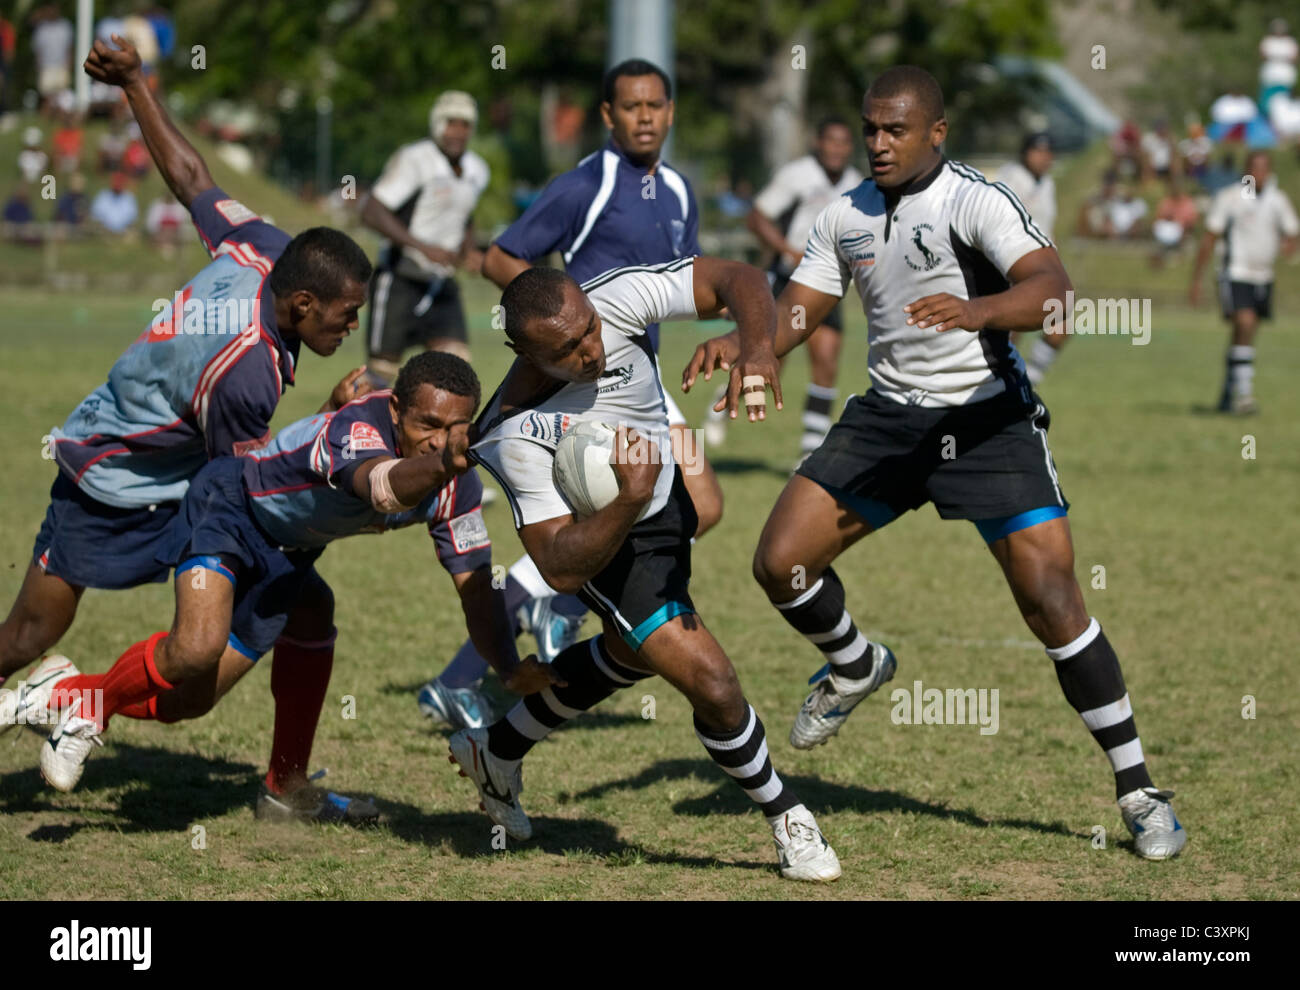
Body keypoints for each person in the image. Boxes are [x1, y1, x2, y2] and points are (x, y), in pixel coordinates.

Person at [684, 66, 1187, 862]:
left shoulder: (975, 199)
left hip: (987, 421)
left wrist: (978, 310)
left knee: (1052, 599)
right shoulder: (843, 215)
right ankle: (855, 666)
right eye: (871, 128)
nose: (878, 144)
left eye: (895, 131)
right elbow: (799, 309)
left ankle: (1139, 792)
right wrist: (748, 346)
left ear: (936, 133)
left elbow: (1053, 291)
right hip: (889, 419)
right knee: (780, 563)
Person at [0, 36, 375, 820]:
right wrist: (335, 424)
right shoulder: (246, 373)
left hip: (175, 472)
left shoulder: (264, 248)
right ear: (303, 306)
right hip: (112, 482)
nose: (350, 329)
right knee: (30, 633)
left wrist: (136, 83)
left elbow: (193, 178)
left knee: (306, 607)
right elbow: (246, 487)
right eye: (345, 318)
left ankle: (284, 783)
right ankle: (68, 697)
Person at [18, 354, 560, 815]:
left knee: (191, 702)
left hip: (289, 553)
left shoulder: (454, 482)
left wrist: (508, 668)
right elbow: (381, 490)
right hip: (230, 508)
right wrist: (446, 462)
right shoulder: (358, 429)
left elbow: (475, 587)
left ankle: (279, 783)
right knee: (197, 646)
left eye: (453, 429)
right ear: (395, 408)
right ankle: (88, 708)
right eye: (425, 425)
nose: (437, 441)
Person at [453, 257, 841, 882]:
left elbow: (734, 277)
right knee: (710, 680)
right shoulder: (512, 434)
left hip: (665, 506)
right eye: (568, 348)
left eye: (589, 329)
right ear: (524, 353)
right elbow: (558, 567)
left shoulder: (615, 298)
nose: (591, 348)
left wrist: (758, 348)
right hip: (610, 549)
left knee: (632, 652)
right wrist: (629, 498)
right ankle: (787, 815)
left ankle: (495, 749)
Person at [417, 59, 720, 730]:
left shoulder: (678, 191)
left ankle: (540, 611)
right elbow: (499, 257)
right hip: (583, 390)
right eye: (630, 107)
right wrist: (561, 318)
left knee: (705, 503)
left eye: (655, 105)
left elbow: (687, 279)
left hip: (639, 380)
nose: (644, 117)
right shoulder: (585, 184)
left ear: (671, 112)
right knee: (646, 509)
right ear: (608, 116)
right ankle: (500, 646)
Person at [705, 117, 864, 461]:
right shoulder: (798, 175)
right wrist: (785, 249)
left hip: (830, 284)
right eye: (830, 141)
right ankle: (723, 401)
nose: (836, 149)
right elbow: (757, 216)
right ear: (818, 143)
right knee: (772, 358)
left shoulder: (856, 182)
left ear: (850, 147)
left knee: (826, 360)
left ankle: (809, 453)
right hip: (791, 280)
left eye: (843, 142)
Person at [361, 90, 489, 381]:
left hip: (441, 282)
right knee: (381, 376)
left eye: (465, 124)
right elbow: (371, 210)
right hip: (400, 278)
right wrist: (422, 247)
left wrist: (468, 250)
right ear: (436, 124)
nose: (457, 131)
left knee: (455, 371)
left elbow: (464, 215)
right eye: (450, 122)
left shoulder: (477, 170)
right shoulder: (415, 159)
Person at [1190, 149, 1299, 415]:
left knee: (1245, 336)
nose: (1259, 174)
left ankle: (1229, 392)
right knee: (1244, 323)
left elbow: (1292, 231)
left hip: (1263, 276)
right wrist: (1196, 279)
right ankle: (1244, 396)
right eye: (1254, 168)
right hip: (1235, 273)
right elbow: (1210, 237)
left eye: (1264, 168)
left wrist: (1289, 245)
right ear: (1246, 170)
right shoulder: (1231, 198)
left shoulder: (1277, 200)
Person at [997, 132, 1061, 385]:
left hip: (1042, 267)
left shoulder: (1047, 183)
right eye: (1038, 151)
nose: (1044, 158)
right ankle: (1002, 383)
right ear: (1025, 152)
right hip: (1012, 264)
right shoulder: (1010, 179)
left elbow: (1046, 229)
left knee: (1060, 324)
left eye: (1048, 152)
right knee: (1010, 331)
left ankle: (1028, 380)